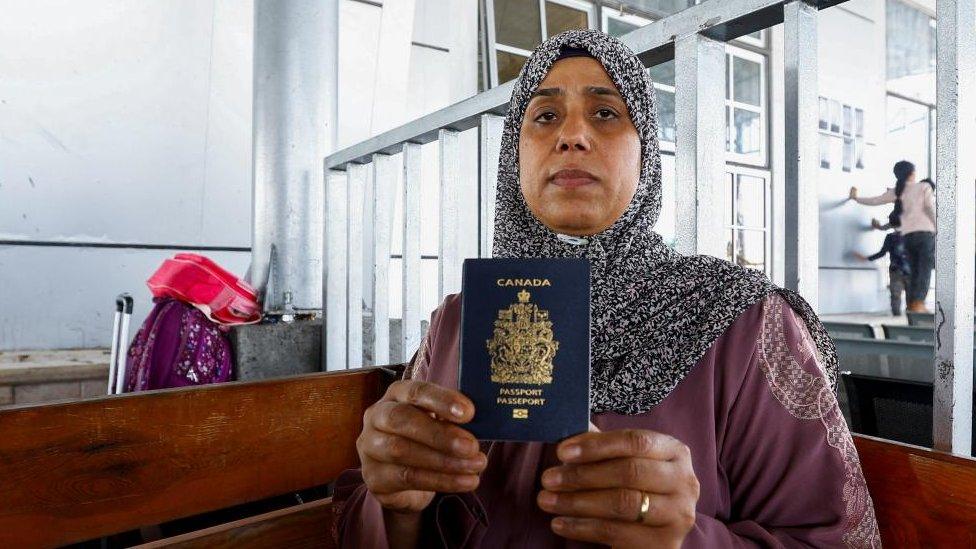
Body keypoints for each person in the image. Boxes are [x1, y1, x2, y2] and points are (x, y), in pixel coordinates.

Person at [334, 30, 880, 548]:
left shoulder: (741, 322)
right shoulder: (459, 320)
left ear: (645, 156)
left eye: (605, 112)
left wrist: (686, 539)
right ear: (512, 159)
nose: (572, 135)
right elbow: (374, 519)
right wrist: (396, 506)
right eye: (545, 116)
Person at [850, 161, 936, 313]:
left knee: (914, 270)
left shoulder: (898, 191)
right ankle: (918, 303)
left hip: (908, 237)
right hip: (925, 235)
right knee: (924, 270)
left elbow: (875, 200)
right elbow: (929, 207)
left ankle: (912, 305)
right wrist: (939, 227)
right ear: (911, 173)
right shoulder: (924, 187)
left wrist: (856, 199)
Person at [854, 211, 911, 316]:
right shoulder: (912, 236)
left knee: (895, 295)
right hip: (911, 270)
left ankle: (897, 317)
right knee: (911, 297)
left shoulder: (890, 237)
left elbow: (882, 253)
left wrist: (866, 258)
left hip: (896, 270)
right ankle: (911, 319)